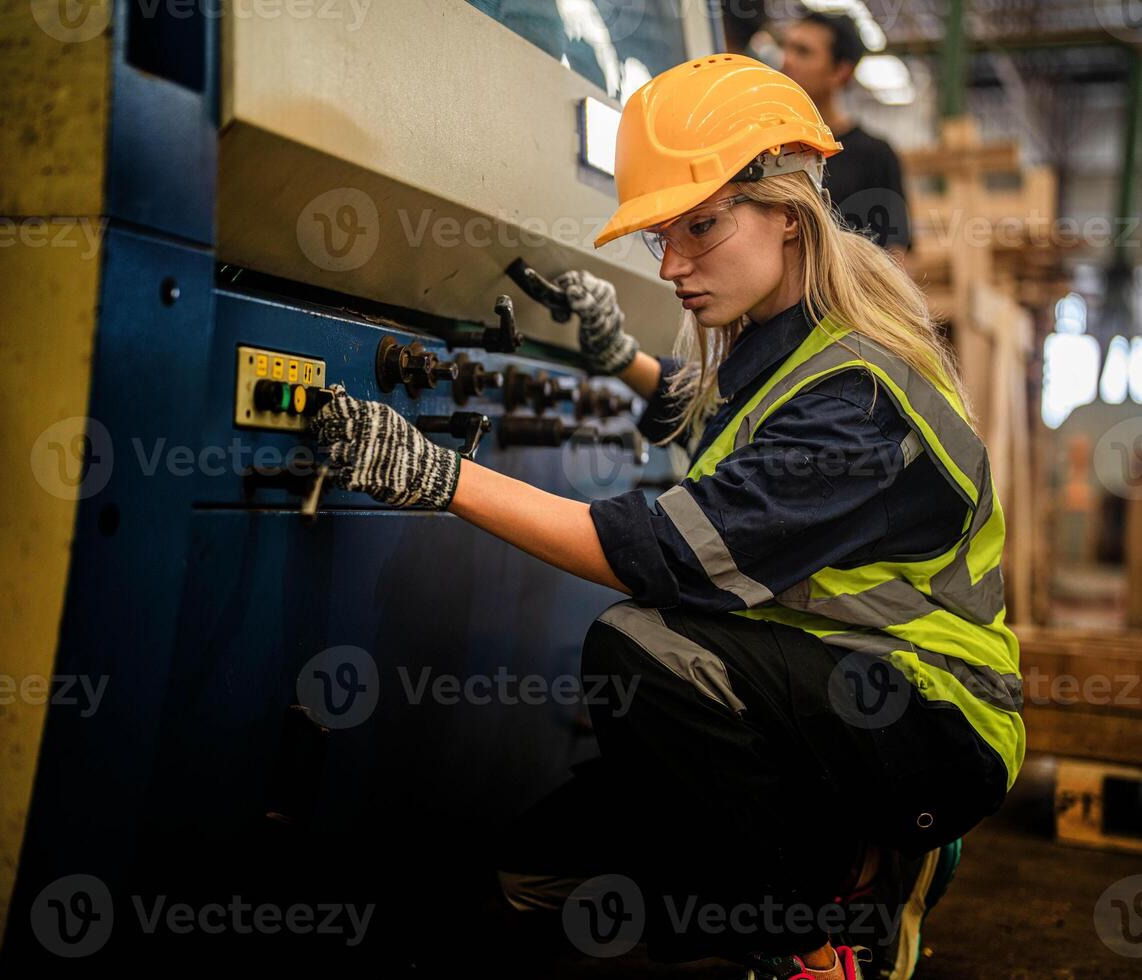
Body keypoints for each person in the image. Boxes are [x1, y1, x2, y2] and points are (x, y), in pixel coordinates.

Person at [305, 54, 1022, 980]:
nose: (675, 266)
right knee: (539, 877)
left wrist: (439, 475)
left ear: (790, 217)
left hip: (928, 719)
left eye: (702, 227)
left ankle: (822, 931)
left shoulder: (861, 395)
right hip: (811, 694)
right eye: (661, 238)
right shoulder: (789, 346)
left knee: (642, 644)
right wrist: (621, 358)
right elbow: (729, 433)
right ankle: (836, 855)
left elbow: (661, 552)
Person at [780, 11, 912, 262]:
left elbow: (894, 254)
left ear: (841, 71)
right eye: (785, 48)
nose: (786, 60)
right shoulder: (770, 149)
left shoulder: (874, 155)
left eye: (803, 52)